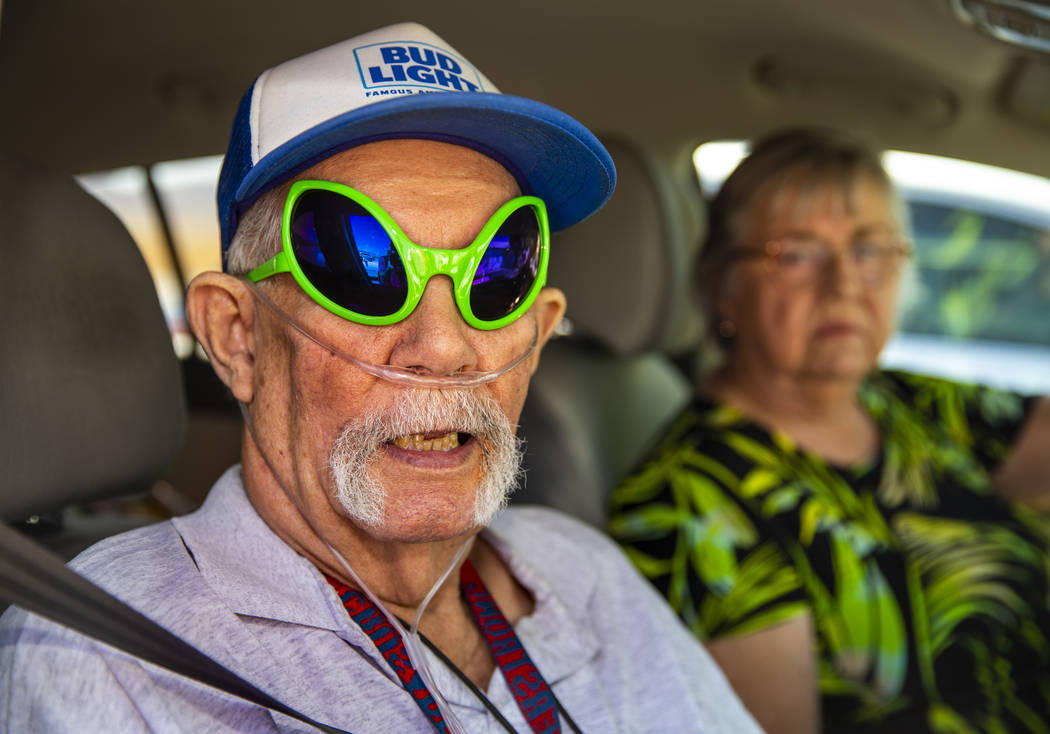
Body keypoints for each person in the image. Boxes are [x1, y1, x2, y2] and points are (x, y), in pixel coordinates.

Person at [0, 22, 761, 734]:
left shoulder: (583, 569)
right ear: (237, 339)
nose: (444, 347)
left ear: (532, 340)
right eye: (361, 265)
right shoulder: (105, 652)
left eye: (497, 272)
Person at [608, 127, 1050, 734]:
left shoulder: (912, 401)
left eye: (869, 250)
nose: (843, 284)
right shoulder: (686, 499)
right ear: (724, 287)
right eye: (796, 253)